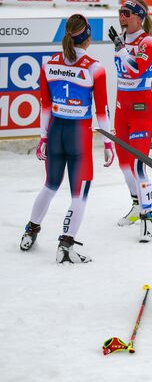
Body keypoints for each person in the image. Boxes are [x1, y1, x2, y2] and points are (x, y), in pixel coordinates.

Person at [19, 14, 114, 263]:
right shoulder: (96, 68)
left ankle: (30, 231)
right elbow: (101, 110)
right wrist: (108, 142)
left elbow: (45, 106)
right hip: (78, 135)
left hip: (55, 131)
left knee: (50, 186)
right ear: (88, 38)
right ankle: (66, 245)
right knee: (79, 194)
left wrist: (42, 138)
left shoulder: (48, 64)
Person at [108, 0, 152, 242]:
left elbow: (136, 68)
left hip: (141, 112)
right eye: (120, 12)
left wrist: (121, 48)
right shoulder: (122, 40)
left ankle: (148, 218)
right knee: (125, 165)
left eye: (127, 13)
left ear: (140, 17)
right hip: (122, 110)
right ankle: (137, 206)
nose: (122, 17)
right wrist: (120, 46)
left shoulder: (147, 41)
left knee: (139, 166)